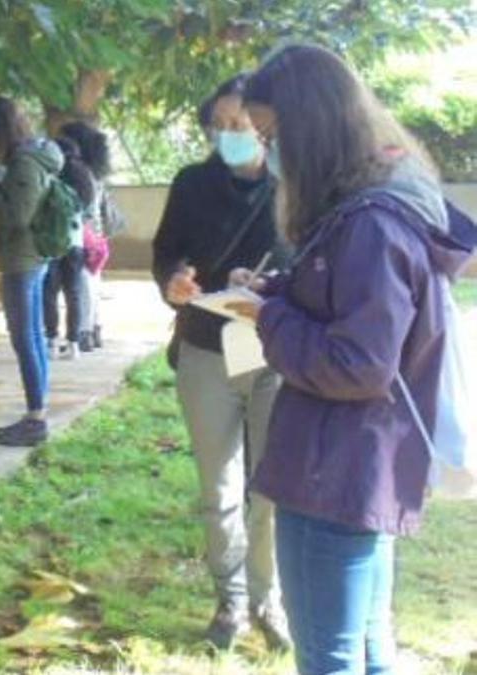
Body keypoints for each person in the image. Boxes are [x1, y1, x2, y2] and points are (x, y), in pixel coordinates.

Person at [233, 45, 476, 674]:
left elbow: (358, 364)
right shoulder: (375, 205)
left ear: (309, 128)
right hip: (359, 463)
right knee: (367, 650)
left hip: (333, 468)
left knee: (331, 659)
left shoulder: (372, 222)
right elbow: (347, 307)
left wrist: (269, 317)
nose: (266, 151)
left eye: (270, 134)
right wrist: (278, 293)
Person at [151, 74, 293, 651]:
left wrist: (270, 282)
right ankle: (229, 602)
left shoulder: (293, 186)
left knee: (272, 489)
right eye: (221, 126)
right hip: (206, 350)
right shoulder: (191, 183)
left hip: (276, 352)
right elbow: (167, 253)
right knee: (219, 488)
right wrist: (178, 280)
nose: (231, 135)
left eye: (241, 124)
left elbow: (310, 259)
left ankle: (269, 600)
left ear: (265, 126)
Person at [0, 96, 62, 447]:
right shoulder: (31, 157)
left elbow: (17, 216)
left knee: (25, 338)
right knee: (32, 336)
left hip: (22, 261)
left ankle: (36, 416)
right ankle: (36, 412)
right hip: (28, 259)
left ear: (0, 131)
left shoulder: (25, 163)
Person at [59, 120, 120, 352]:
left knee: (83, 284)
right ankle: (93, 329)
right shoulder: (95, 171)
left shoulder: (78, 171)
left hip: (83, 234)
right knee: (92, 283)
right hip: (97, 236)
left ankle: (83, 332)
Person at [42, 136, 95, 360]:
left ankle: (52, 341)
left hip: (52, 241)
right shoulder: (85, 176)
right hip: (75, 241)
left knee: (49, 293)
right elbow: (88, 211)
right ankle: (73, 343)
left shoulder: (52, 173)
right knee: (73, 293)